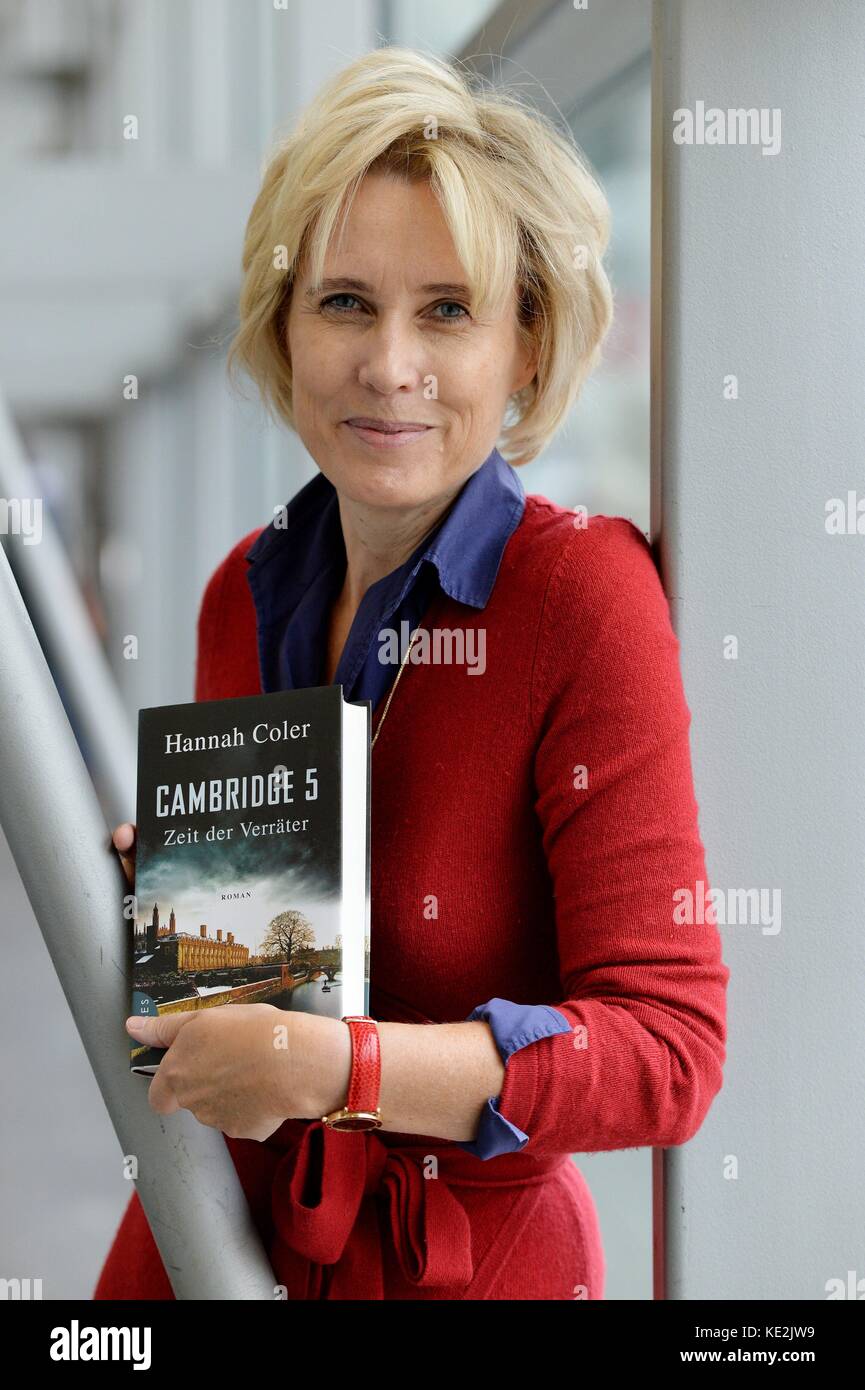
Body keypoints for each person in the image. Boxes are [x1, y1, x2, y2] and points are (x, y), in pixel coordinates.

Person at [94, 46, 729, 1301]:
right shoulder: (247, 587)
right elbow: (265, 998)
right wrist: (188, 922)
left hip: (471, 1268)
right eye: (343, 302)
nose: (390, 366)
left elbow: (671, 1055)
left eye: (447, 309)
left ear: (529, 348)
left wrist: (340, 1067)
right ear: (283, 321)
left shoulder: (580, 599)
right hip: (230, 1216)